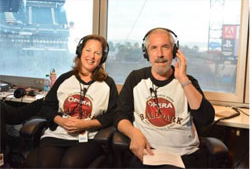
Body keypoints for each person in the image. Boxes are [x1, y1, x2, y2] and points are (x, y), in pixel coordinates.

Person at [114, 28, 215, 168]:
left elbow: (206, 118)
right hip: (147, 154)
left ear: (174, 51)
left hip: (184, 156)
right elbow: (120, 115)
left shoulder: (187, 81)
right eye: (154, 48)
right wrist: (134, 134)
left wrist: (183, 80)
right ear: (146, 53)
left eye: (165, 47)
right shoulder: (135, 78)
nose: (159, 54)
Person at [27, 35, 118, 168]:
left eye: (97, 53)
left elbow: (113, 115)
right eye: (88, 50)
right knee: (46, 164)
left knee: (70, 164)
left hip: (88, 139)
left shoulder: (107, 84)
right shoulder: (65, 79)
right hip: (57, 135)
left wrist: (86, 124)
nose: (91, 56)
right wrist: (61, 121)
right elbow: (47, 106)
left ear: (102, 58)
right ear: (80, 51)